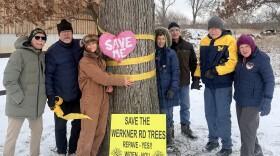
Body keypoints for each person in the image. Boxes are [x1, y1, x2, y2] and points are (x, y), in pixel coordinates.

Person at [76, 34, 133, 156]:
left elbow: (104, 74)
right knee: (88, 133)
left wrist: (109, 84)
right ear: (85, 47)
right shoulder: (85, 62)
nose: (91, 46)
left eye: (93, 43)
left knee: (100, 132)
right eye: (88, 44)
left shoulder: (100, 60)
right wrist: (120, 81)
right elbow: (101, 77)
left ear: (97, 44)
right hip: (90, 100)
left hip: (103, 98)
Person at [194, 16, 238, 156]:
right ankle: (213, 140)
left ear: (221, 28)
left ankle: (227, 145)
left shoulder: (229, 40)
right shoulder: (204, 41)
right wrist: (196, 76)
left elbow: (232, 62)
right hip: (209, 85)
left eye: (216, 28)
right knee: (210, 114)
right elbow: (200, 62)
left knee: (222, 115)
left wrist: (216, 70)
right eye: (210, 28)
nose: (213, 31)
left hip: (223, 85)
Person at [3, 28, 47, 156]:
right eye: (37, 37)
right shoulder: (19, 54)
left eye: (43, 38)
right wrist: (19, 98)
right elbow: (9, 80)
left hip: (36, 107)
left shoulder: (42, 56)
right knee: (12, 138)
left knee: (37, 134)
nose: (40, 40)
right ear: (31, 39)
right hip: (19, 104)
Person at [45, 19, 83, 156]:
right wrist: (50, 95)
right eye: (63, 32)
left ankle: (73, 150)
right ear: (59, 34)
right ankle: (61, 151)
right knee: (60, 126)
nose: (66, 34)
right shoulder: (52, 51)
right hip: (60, 96)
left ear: (72, 32)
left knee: (78, 124)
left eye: (68, 31)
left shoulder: (80, 44)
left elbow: (93, 44)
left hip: (78, 95)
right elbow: (48, 75)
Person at [234, 34, 275, 156]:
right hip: (240, 99)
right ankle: (256, 150)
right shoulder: (239, 58)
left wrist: (267, 99)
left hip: (253, 101)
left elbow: (269, 80)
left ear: (252, 45)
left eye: (247, 46)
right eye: (241, 47)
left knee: (247, 129)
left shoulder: (261, 58)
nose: (244, 49)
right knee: (245, 129)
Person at [168, 22, 200, 139]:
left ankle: (185, 126)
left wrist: (195, 78)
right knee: (169, 106)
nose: (175, 32)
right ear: (169, 32)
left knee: (185, 106)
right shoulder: (167, 46)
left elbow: (193, 64)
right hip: (170, 83)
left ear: (180, 31)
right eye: (172, 30)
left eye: (176, 29)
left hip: (184, 82)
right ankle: (169, 128)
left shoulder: (188, 46)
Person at [155, 27, 180, 146]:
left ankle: (169, 140)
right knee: (160, 114)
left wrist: (172, 89)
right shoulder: (152, 53)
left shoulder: (171, 53)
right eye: (158, 39)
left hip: (168, 90)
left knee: (167, 115)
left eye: (163, 39)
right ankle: (164, 137)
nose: (161, 41)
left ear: (166, 40)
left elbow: (175, 72)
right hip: (157, 90)